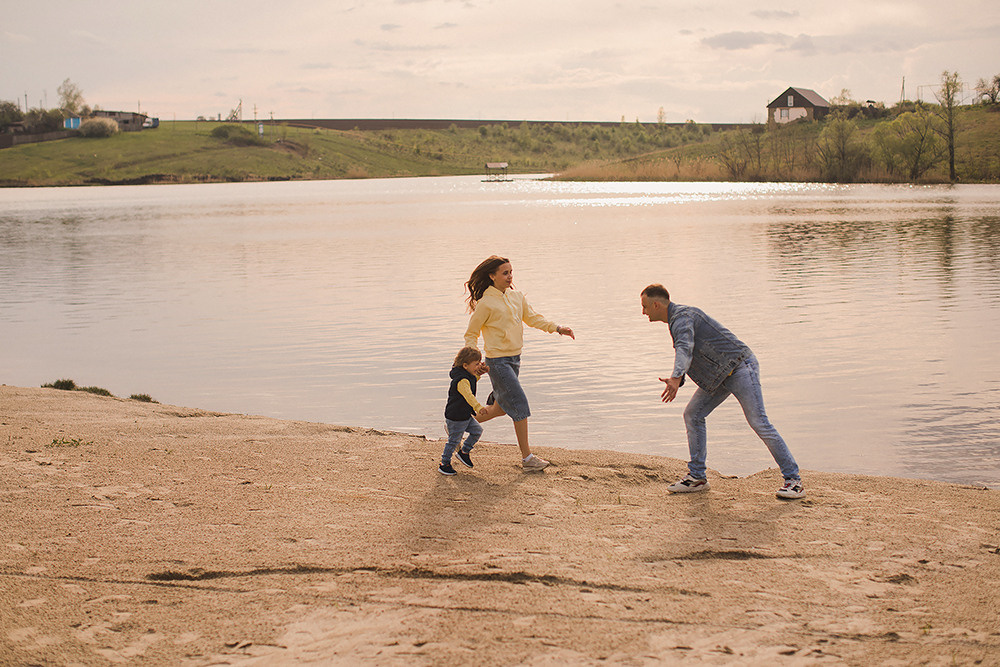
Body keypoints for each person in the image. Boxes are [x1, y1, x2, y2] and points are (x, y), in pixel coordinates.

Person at [640, 284, 805, 500]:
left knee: (759, 422)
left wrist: (676, 376)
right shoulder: (677, 320)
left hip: (739, 368)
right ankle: (697, 477)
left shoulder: (683, 317)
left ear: (656, 304)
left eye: (644, 307)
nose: (643, 312)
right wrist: (677, 379)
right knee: (693, 414)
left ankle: (794, 481)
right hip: (718, 376)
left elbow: (685, 347)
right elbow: (690, 353)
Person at [464, 255, 575, 472]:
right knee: (520, 405)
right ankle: (527, 459)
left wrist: (557, 328)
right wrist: (474, 360)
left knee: (499, 408)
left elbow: (533, 318)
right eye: (505, 273)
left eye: (511, 272)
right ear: (492, 276)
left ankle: (457, 423)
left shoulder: (516, 297)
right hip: (497, 362)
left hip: (515, 359)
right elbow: (471, 333)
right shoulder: (486, 303)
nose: (509, 276)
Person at [440, 347, 489, 476]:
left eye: (479, 363)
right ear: (465, 365)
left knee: (477, 431)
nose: (478, 366)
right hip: (456, 416)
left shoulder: (468, 375)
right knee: (454, 441)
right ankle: (444, 464)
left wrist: (479, 374)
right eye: (476, 364)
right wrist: (479, 408)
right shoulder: (461, 381)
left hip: (465, 416)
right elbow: (468, 396)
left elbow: (473, 380)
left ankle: (464, 452)